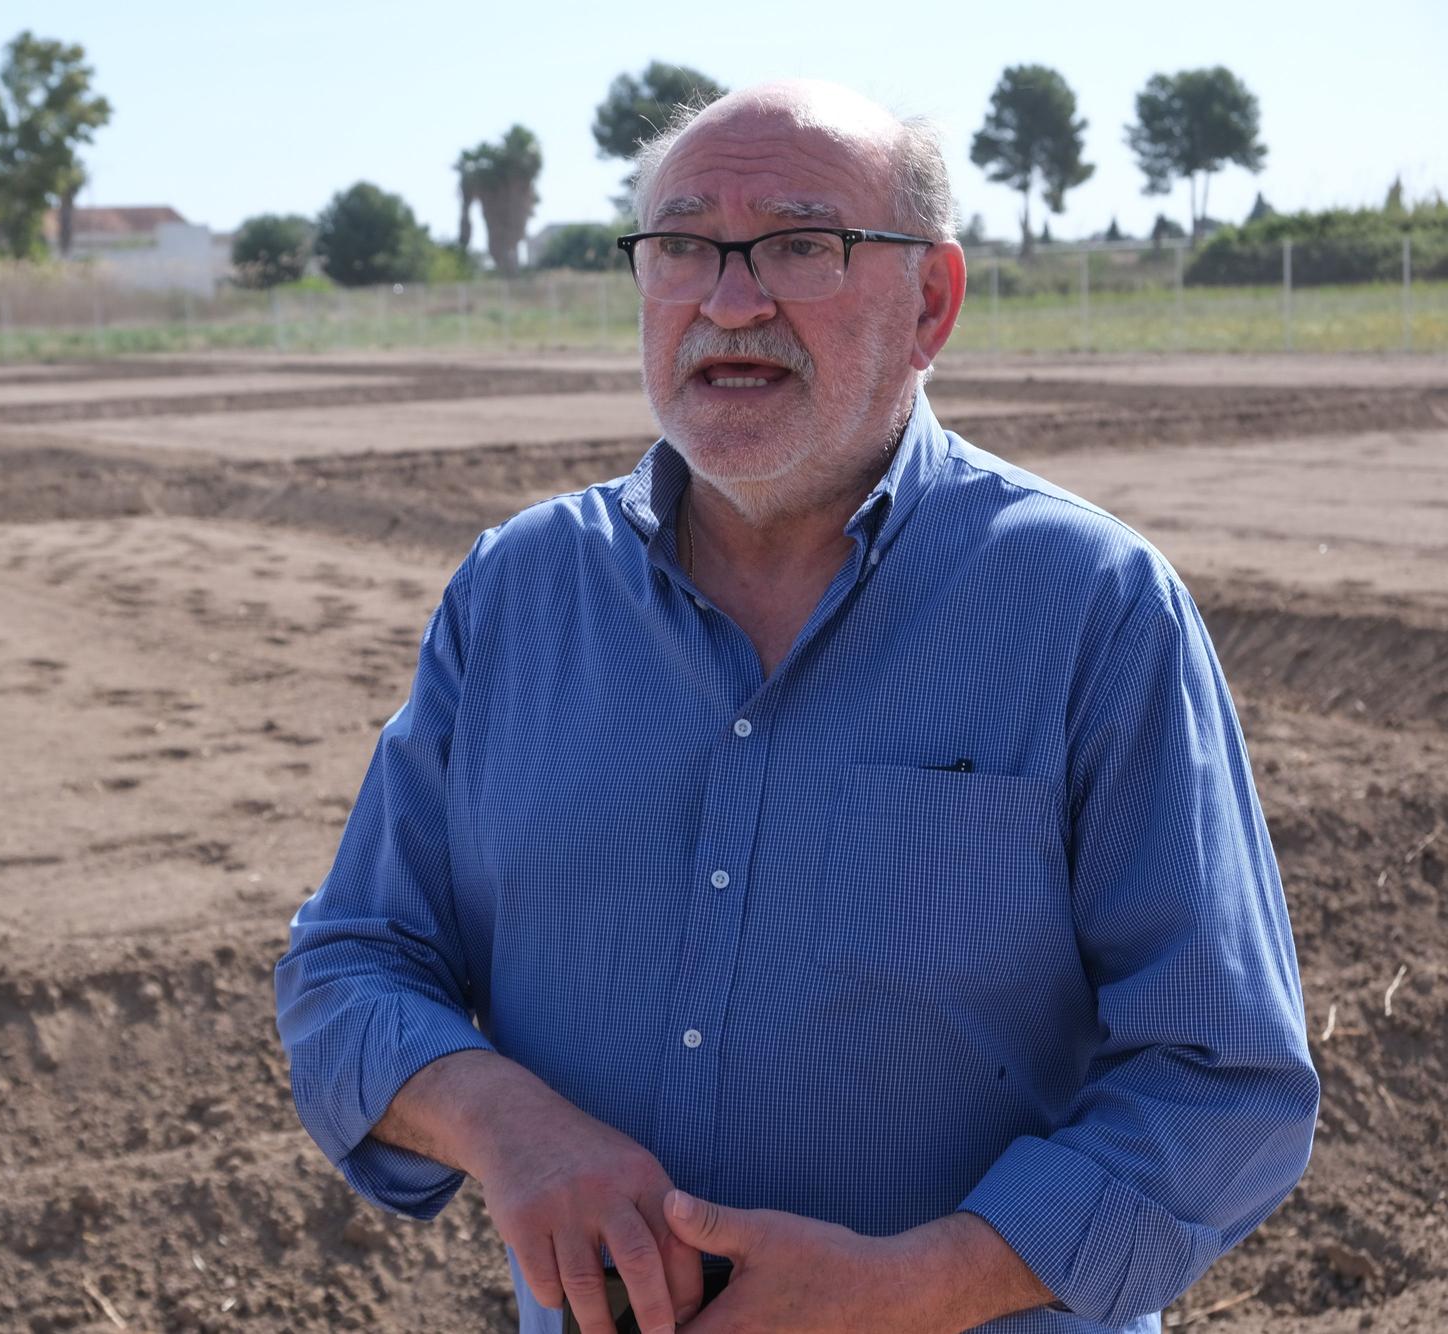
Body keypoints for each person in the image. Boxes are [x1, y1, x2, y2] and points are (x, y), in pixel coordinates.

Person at [273, 80, 1318, 1334]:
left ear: (929, 300)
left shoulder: (1087, 606)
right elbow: (352, 963)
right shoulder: (516, 597)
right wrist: (504, 1122)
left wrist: (921, 1281)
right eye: (681, 245)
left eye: (799, 243)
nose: (729, 297)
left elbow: (1221, 1077)